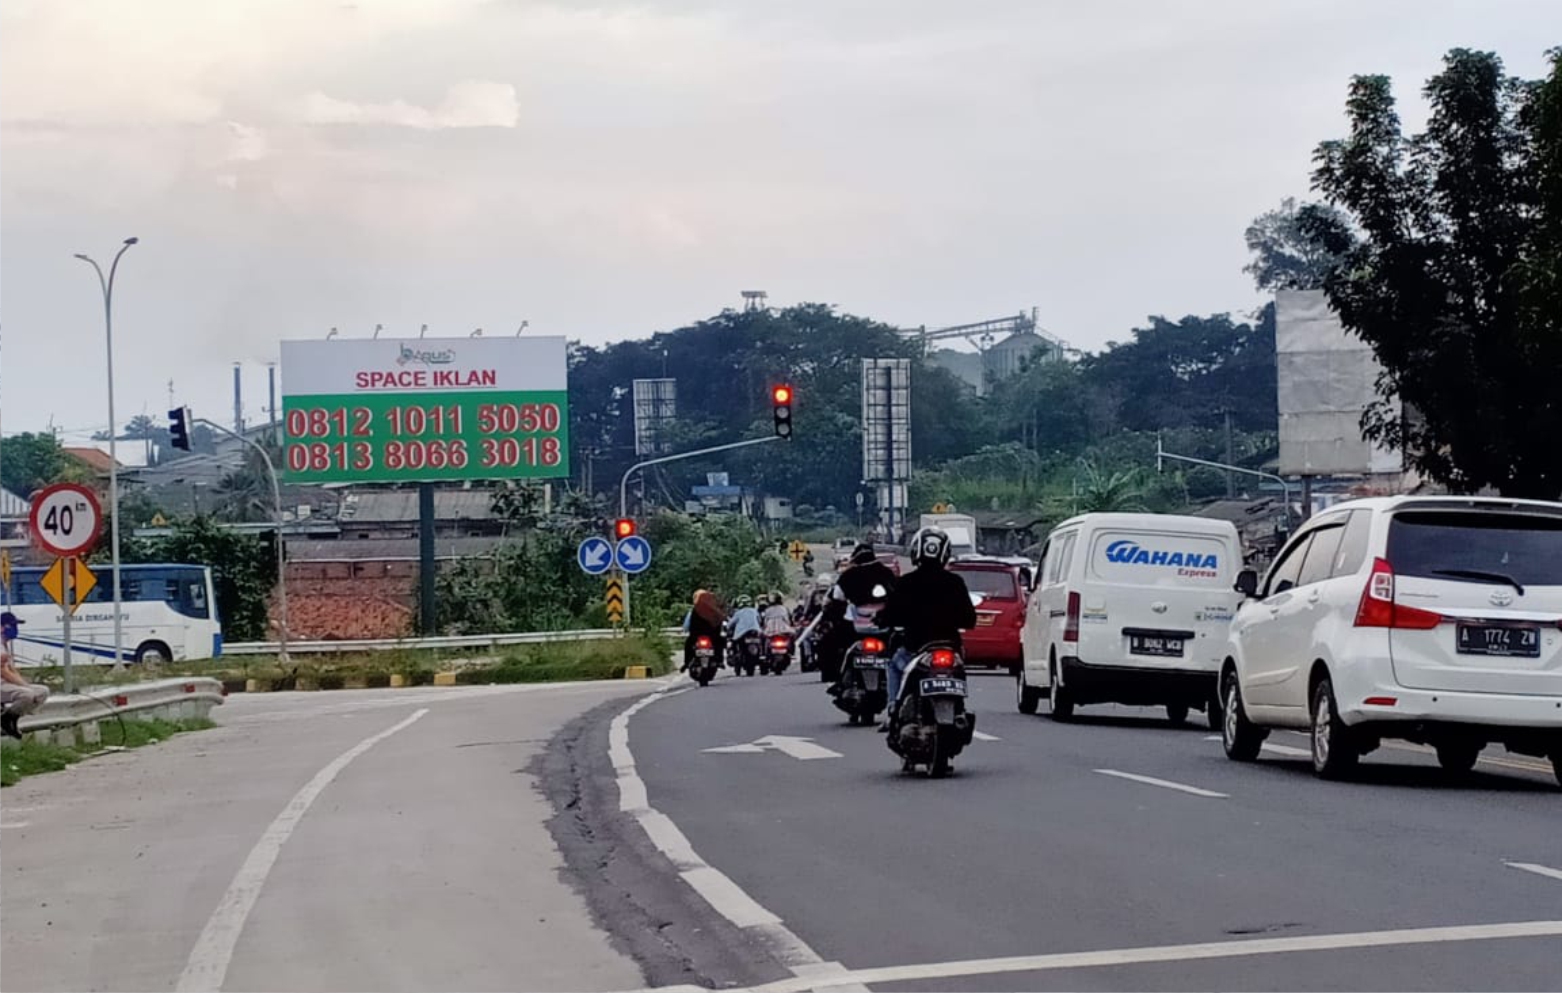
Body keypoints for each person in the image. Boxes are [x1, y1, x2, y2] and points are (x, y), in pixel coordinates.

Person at [873, 527, 977, 731]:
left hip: (915, 646)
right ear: (945, 553)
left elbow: (889, 615)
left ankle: (894, 707)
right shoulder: (955, 582)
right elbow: (969, 619)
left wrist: (882, 619)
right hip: (950, 645)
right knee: (958, 670)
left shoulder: (906, 582)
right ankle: (960, 710)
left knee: (894, 664)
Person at [821, 544, 899, 692]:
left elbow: (837, 599)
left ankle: (835, 679)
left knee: (830, 643)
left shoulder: (848, 576)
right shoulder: (887, 573)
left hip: (856, 629)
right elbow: (898, 599)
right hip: (884, 628)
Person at [1, 648, 49, 739]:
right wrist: (27, 688)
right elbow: (4, 672)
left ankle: (12, 717)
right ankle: (6, 719)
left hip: (7, 684)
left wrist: (26, 685)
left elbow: (12, 671)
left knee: (43, 691)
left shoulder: (3, 645)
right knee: (27, 695)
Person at [681, 590, 727, 672]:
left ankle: (686, 663)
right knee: (719, 642)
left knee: (689, 643)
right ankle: (720, 661)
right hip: (712, 635)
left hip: (696, 635)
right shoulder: (714, 610)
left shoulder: (695, 610)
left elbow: (687, 626)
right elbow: (719, 622)